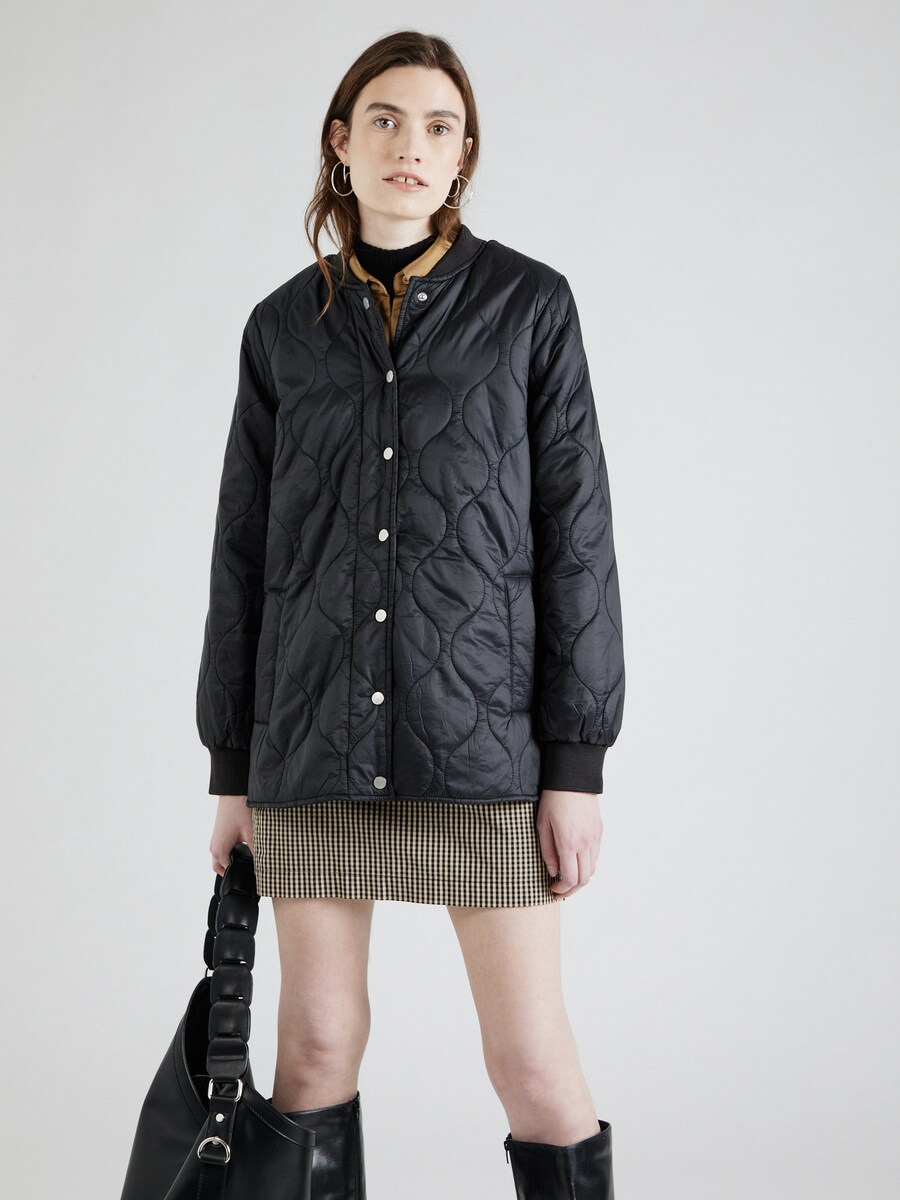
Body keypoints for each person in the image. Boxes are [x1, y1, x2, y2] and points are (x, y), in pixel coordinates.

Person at [197, 30, 624, 1200]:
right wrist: (232, 768)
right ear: (342, 142)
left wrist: (575, 764)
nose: (412, 147)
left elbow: (577, 540)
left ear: (463, 154)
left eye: (440, 127)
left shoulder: (530, 307)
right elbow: (245, 558)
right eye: (386, 119)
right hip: (311, 743)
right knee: (312, 1052)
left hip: (484, 746)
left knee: (533, 1064)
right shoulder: (282, 328)